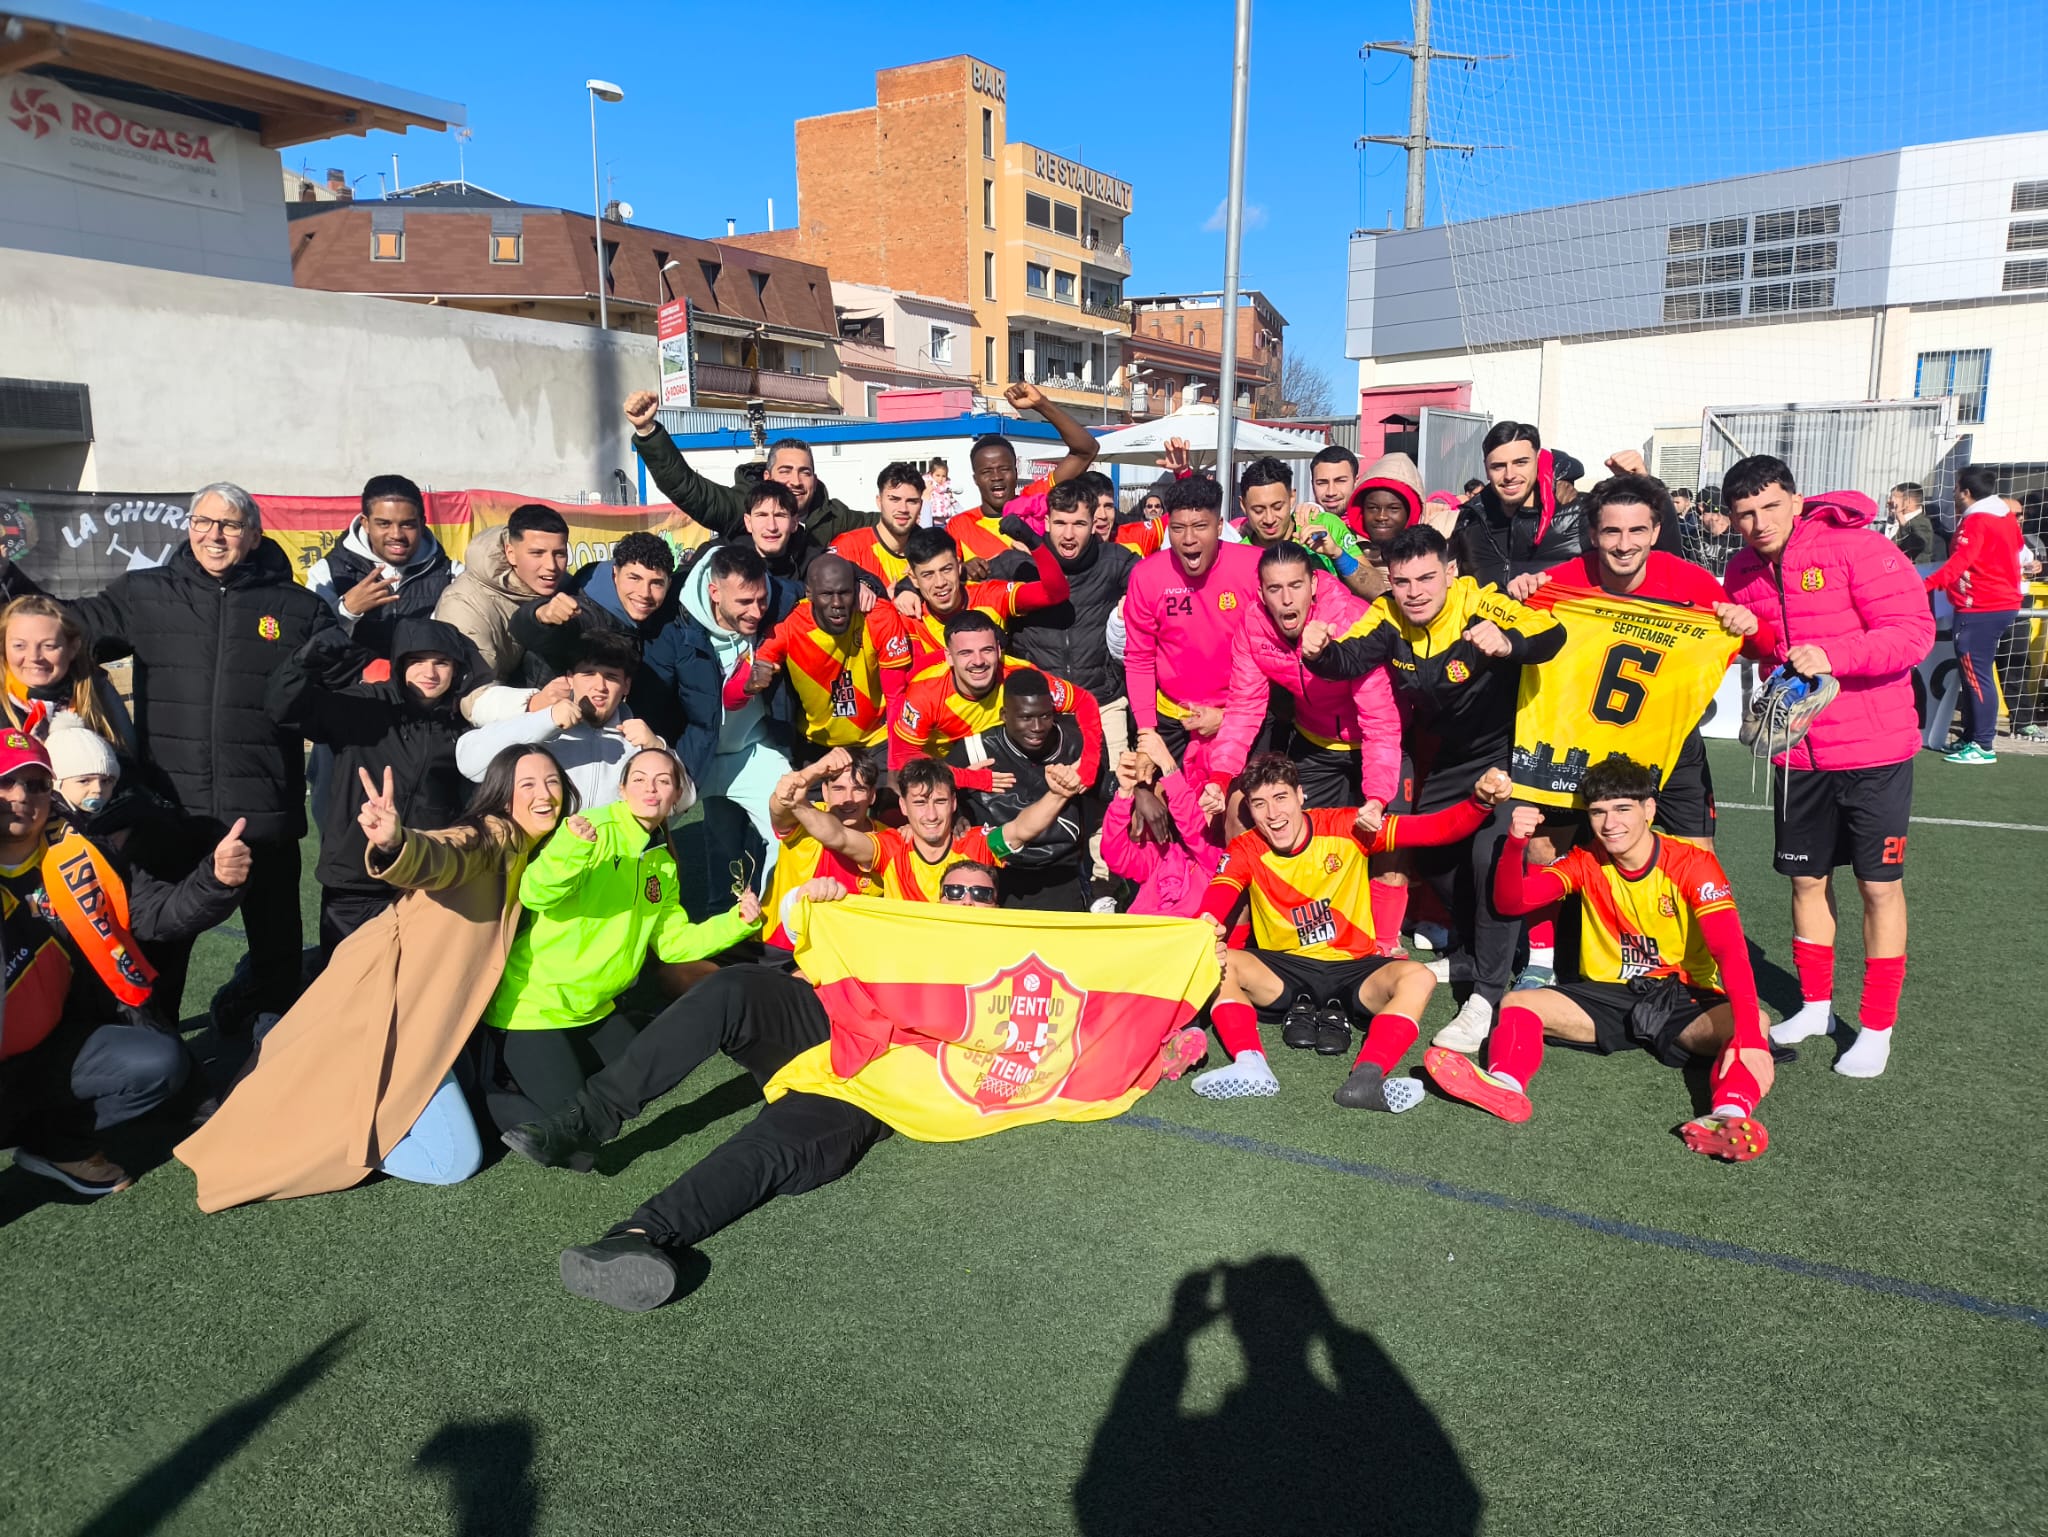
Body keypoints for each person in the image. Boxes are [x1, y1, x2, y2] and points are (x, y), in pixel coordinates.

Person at [507, 868, 1006, 1311]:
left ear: (998, 907)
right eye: (954, 890)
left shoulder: (1011, 968)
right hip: (827, 1028)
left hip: (878, 1082)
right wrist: (808, 903)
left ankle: (638, 1236)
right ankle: (584, 1119)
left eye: (979, 894)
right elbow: (807, 955)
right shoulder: (902, 931)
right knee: (736, 985)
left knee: (777, 1142)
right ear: (938, 898)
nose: (964, 900)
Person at [175, 746, 574, 1207]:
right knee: (453, 1161)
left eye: (551, 782)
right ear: (503, 796)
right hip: (395, 1000)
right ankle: (326, 1130)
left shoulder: (538, 845)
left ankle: (309, 1078)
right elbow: (446, 852)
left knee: (447, 1085)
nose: (544, 794)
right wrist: (397, 844)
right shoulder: (493, 835)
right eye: (527, 784)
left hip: (424, 1003)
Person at [65, 482, 338, 1030]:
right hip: (173, 814)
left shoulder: (299, 608)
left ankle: (277, 1068)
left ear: (254, 535)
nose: (215, 535)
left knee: (278, 957)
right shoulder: (144, 593)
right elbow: (65, 629)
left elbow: (342, 683)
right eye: (203, 522)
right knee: (164, 953)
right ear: (190, 528)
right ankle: (171, 1071)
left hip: (264, 815)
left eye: (230, 525)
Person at [1427, 755, 1773, 1161]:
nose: (1610, 824)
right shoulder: (1585, 860)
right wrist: (1516, 845)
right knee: (1519, 1001)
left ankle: (1727, 1115)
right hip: (1609, 996)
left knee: (1754, 1023)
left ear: (1649, 810)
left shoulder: (1693, 865)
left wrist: (1749, 1037)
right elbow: (1512, 900)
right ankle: (1506, 1085)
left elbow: (1731, 953)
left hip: (1682, 997)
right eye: (1598, 812)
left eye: (1623, 809)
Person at [1301, 525, 1566, 1053]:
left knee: (1493, 860)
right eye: (1402, 581)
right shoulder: (1388, 614)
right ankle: (1470, 953)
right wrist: (1319, 650)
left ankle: (1486, 998)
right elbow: (1349, 659)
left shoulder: (1481, 601)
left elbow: (1552, 636)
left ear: (1450, 573)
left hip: (1505, 757)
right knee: (1440, 863)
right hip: (1445, 763)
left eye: (1426, 578)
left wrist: (1508, 642)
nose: (1415, 592)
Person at [1721, 459, 1933, 1079]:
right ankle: (1815, 1006)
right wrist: (1749, 633)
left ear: (1796, 499)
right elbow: (1766, 645)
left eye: (1768, 507)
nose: (1757, 524)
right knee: (1806, 882)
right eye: (1744, 515)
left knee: (1878, 887)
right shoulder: (1740, 567)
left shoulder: (1857, 547)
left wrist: (1834, 655)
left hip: (1874, 751)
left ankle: (1875, 1028)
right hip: (1796, 752)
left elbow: (1914, 633)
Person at [0, 730, 247, 1195]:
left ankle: (56, 1144)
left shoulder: (82, 854)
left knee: (158, 1062)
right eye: (6, 782)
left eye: (34, 784)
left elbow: (156, 914)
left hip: (58, 1043)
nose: (20, 797)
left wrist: (215, 881)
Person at [1189, 754, 1512, 1109]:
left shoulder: (1347, 826)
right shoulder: (1245, 847)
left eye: (1281, 798)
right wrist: (1209, 923)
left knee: (1419, 976)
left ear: (1301, 796)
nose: (1273, 814)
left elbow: (1434, 830)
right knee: (1216, 959)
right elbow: (1218, 897)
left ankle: (1366, 1080)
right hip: (1283, 969)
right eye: (1259, 804)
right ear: (1249, 809)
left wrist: (1479, 802)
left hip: (1354, 969)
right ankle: (1250, 1065)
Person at [479, 747, 759, 1131]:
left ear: (677, 795)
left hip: (595, 1006)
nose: (651, 789)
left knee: (643, 1078)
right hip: (536, 1004)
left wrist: (736, 922)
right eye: (640, 779)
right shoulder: (590, 830)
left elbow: (672, 943)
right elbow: (535, 893)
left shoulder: (661, 859)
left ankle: (569, 1059)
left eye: (663, 781)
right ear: (623, 789)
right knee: (581, 1133)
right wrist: (571, 849)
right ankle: (490, 1097)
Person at [1507, 471, 1763, 853]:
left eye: (1637, 531)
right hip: (1579, 741)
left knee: (1697, 858)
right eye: (1612, 532)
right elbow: (1505, 630)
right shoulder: (1559, 585)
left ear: (1656, 533)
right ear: (1593, 535)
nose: (1625, 545)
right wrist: (1516, 598)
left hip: (1668, 742)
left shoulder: (1693, 583)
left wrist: (1752, 629)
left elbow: (1757, 648)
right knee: (1543, 851)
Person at [267, 619, 477, 954]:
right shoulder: (364, 705)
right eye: (417, 661)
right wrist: (304, 662)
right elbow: (284, 708)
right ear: (399, 664)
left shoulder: (465, 723)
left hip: (423, 878)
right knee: (346, 988)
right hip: (355, 880)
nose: (430, 672)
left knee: (415, 987)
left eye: (442, 662)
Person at [649, 542, 793, 920]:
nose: (757, 611)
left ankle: (774, 917)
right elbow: (656, 696)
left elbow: (822, 579)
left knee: (793, 827)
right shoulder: (675, 626)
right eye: (745, 602)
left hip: (752, 751)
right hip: (693, 755)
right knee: (643, 832)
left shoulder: (778, 600)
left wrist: (867, 586)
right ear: (714, 592)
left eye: (762, 599)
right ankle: (653, 928)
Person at [1209, 542, 1399, 819]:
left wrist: (1377, 797)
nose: (1286, 599)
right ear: (1261, 594)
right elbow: (1244, 707)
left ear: (1313, 585)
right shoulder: (1253, 626)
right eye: (1275, 589)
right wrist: (1220, 777)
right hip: (1314, 742)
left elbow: (1380, 722)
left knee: (1386, 851)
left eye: (1296, 585)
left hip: (1378, 747)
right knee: (1304, 844)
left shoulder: (1353, 620)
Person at [786, 754, 1083, 902]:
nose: (930, 814)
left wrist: (1058, 794)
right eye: (919, 803)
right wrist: (799, 805)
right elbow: (837, 836)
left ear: (954, 802)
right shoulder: (890, 847)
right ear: (903, 807)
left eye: (939, 801)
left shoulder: (976, 845)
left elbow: (1021, 829)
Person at [1125, 476, 1264, 790]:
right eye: (1178, 528)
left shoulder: (1254, 567)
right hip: (1171, 721)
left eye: (1200, 526)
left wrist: (1229, 717)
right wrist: (1147, 734)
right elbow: (1139, 659)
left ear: (1219, 526)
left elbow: (1273, 655)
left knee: (1236, 819)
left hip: (1239, 719)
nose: (1188, 539)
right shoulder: (1147, 576)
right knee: (1159, 814)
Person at [625, 390, 879, 555]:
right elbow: (688, 488)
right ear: (767, 478)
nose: (796, 481)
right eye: (785, 471)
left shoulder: (833, 516)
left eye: (805, 472)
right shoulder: (742, 505)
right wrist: (649, 431)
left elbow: (888, 525)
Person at [455, 633, 672, 812]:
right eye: (588, 674)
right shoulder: (539, 723)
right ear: (569, 678)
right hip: (539, 858)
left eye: (611, 677)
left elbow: (683, 800)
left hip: (609, 860)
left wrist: (657, 747)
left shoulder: (638, 739)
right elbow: (469, 763)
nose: (600, 686)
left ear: (626, 686)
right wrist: (545, 720)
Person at [733, 554, 910, 770]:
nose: (836, 603)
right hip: (815, 745)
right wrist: (749, 684)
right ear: (810, 594)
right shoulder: (789, 627)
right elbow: (738, 688)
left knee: (892, 801)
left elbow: (896, 695)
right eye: (827, 594)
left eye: (844, 593)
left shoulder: (878, 615)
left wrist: (897, 762)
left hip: (877, 740)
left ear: (855, 589)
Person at [890, 611, 1103, 790]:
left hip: (1008, 768)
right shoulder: (925, 693)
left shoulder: (1020, 676)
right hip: (945, 775)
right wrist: (965, 777)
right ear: (948, 657)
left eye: (987, 650)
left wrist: (1089, 765)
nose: (979, 661)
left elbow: (1084, 701)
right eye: (966, 653)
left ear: (999, 650)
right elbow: (904, 757)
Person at [508, 532, 689, 742]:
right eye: (634, 578)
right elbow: (528, 630)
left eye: (656, 583)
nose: (644, 593)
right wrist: (541, 615)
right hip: (553, 739)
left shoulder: (653, 621)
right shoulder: (583, 614)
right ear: (615, 573)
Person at [945, 668, 1092, 910]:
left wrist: (1136, 790)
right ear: (1004, 714)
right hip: (1000, 873)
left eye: (1045, 716)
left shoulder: (1074, 744)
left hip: (1061, 872)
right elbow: (927, 785)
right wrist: (958, 802)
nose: (1037, 727)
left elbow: (1106, 789)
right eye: (1025, 717)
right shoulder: (975, 749)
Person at [1924, 465, 2023, 765]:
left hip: (1981, 606)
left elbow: (1960, 562)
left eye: (1955, 487)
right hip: (1997, 603)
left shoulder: (1976, 521)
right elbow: (2018, 548)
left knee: (1976, 675)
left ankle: (1982, 744)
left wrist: (1924, 585)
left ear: (1966, 492)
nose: (1953, 492)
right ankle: (1972, 737)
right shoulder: (2003, 517)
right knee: (1973, 675)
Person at [306, 475, 459, 658]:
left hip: (423, 685)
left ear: (422, 523)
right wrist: (347, 611)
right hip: (351, 685)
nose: (396, 534)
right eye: (384, 524)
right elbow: (310, 648)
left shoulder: (453, 574)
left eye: (407, 525)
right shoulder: (327, 572)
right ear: (365, 523)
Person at [948, 381, 1100, 565]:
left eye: (1004, 469)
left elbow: (1086, 450)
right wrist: (964, 569)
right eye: (987, 471)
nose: (996, 476)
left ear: (1016, 471)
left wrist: (1041, 404)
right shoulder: (959, 526)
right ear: (976, 479)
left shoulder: (1036, 499)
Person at [433, 504, 569, 695]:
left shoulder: (563, 585)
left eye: (559, 554)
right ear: (510, 553)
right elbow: (473, 693)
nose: (551, 566)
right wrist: (534, 705)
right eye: (537, 553)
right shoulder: (464, 603)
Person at [894, 526, 1071, 672]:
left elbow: (1055, 592)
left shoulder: (990, 595)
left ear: (958, 565)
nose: (940, 583)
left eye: (946, 569)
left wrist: (1033, 542)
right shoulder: (909, 618)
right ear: (914, 579)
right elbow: (910, 680)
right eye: (928, 575)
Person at [759, 749, 880, 956]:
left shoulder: (888, 838)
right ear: (825, 791)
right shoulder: (804, 818)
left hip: (846, 956)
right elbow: (780, 804)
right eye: (839, 789)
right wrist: (814, 770)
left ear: (872, 795)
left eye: (858, 789)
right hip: (781, 948)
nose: (847, 799)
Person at [0, 595, 137, 758]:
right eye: (19, 646)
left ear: (72, 648)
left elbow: (129, 766)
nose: (34, 657)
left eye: (48, 646)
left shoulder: (97, 693)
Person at [1452, 422, 1585, 589]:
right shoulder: (1469, 523)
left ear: (1538, 461)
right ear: (1486, 469)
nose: (1510, 475)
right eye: (1498, 466)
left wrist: (1627, 476)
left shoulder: (1577, 515)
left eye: (1521, 463)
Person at [1101, 746, 1226, 918]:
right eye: (1198, 800)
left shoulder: (1220, 861)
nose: (1200, 808)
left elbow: (1195, 832)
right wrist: (1124, 794)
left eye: (1211, 804)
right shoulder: (1162, 854)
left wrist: (1169, 767)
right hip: (1142, 937)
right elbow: (1115, 856)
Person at [1234, 458, 1377, 600]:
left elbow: (1377, 590)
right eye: (1258, 510)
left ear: (1292, 497)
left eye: (1277, 507)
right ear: (1243, 505)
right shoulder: (1238, 556)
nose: (1269, 519)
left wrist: (1337, 555)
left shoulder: (1326, 526)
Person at [1341, 452, 1427, 596]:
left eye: (1393, 509)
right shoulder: (1346, 543)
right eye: (1373, 508)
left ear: (1410, 512)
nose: (1381, 517)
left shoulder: (1434, 546)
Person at [833, 463, 926, 589]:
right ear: (879, 501)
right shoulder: (849, 547)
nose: (903, 509)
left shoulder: (931, 553)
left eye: (912, 501)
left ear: (921, 505)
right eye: (894, 499)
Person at [1307, 445, 1360, 531]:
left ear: (1356, 482)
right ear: (1312, 485)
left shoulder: (1371, 527)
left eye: (1340, 481)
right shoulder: (1301, 524)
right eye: (1322, 483)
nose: (1331, 492)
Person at [1887, 483, 1942, 563]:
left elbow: (1916, 543)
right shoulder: (1895, 521)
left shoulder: (1921, 523)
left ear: (1908, 501)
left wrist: (1899, 515)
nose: (1889, 501)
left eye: (1893, 497)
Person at [921, 456, 960, 528]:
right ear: (931, 474)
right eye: (937, 475)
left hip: (943, 522)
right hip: (931, 522)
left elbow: (959, 489)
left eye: (943, 476)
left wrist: (951, 497)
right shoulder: (928, 487)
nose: (940, 479)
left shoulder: (946, 489)